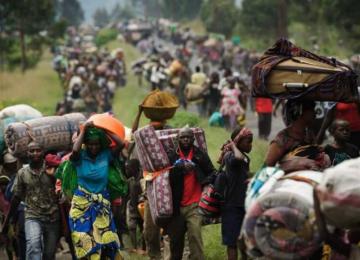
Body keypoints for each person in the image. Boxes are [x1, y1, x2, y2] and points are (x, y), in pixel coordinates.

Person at [69, 121, 124, 259]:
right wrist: (83, 130)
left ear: (101, 144)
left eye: (96, 143)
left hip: (102, 205)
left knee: (106, 241)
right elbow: (75, 150)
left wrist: (104, 129)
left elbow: (121, 144)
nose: (93, 147)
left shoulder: (106, 155)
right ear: (85, 144)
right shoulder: (79, 157)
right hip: (81, 204)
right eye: (90, 144)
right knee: (83, 238)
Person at [2, 141, 60, 260]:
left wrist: (54, 176)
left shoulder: (52, 168)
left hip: (52, 217)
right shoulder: (22, 173)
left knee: (49, 255)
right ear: (27, 154)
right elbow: (16, 198)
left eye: (38, 150)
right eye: (31, 151)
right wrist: (7, 222)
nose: (35, 153)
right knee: (33, 246)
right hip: (32, 216)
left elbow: (64, 190)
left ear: (43, 152)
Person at [167, 127, 216, 260]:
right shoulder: (172, 156)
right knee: (176, 242)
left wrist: (205, 181)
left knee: (195, 237)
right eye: (183, 137)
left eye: (188, 137)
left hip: (195, 204)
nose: (186, 139)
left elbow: (213, 172)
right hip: (176, 206)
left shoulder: (200, 155)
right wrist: (179, 168)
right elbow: (166, 177)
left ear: (193, 139)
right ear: (178, 139)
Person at [217, 127, 253, 260]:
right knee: (232, 243)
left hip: (244, 203)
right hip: (231, 205)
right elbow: (237, 157)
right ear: (238, 142)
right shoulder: (230, 156)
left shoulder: (245, 157)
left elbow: (244, 173)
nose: (250, 145)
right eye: (248, 142)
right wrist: (232, 146)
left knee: (244, 240)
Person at [265, 100, 317, 168]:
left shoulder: (309, 134)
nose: (315, 113)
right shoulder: (283, 138)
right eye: (312, 109)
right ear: (299, 111)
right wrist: (292, 165)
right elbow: (267, 167)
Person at [125, 159, 145, 254]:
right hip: (133, 208)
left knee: (144, 227)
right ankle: (134, 247)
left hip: (142, 207)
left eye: (128, 168)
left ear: (135, 168)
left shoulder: (143, 178)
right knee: (131, 227)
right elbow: (127, 194)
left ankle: (144, 248)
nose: (126, 171)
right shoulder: (130, 181)